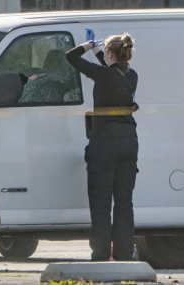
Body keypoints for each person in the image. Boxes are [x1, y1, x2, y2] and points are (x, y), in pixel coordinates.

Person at [65, 29, 139, 261]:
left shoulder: (103, 75)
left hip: (105, 144)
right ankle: (125, 254)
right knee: (124, 202)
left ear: (110, 53)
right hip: (129, 142)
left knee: (101, 202)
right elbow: (113, 72)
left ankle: (101, 254)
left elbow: (71, 57)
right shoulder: (132, 76)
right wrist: (100, 51)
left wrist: (88, 45)